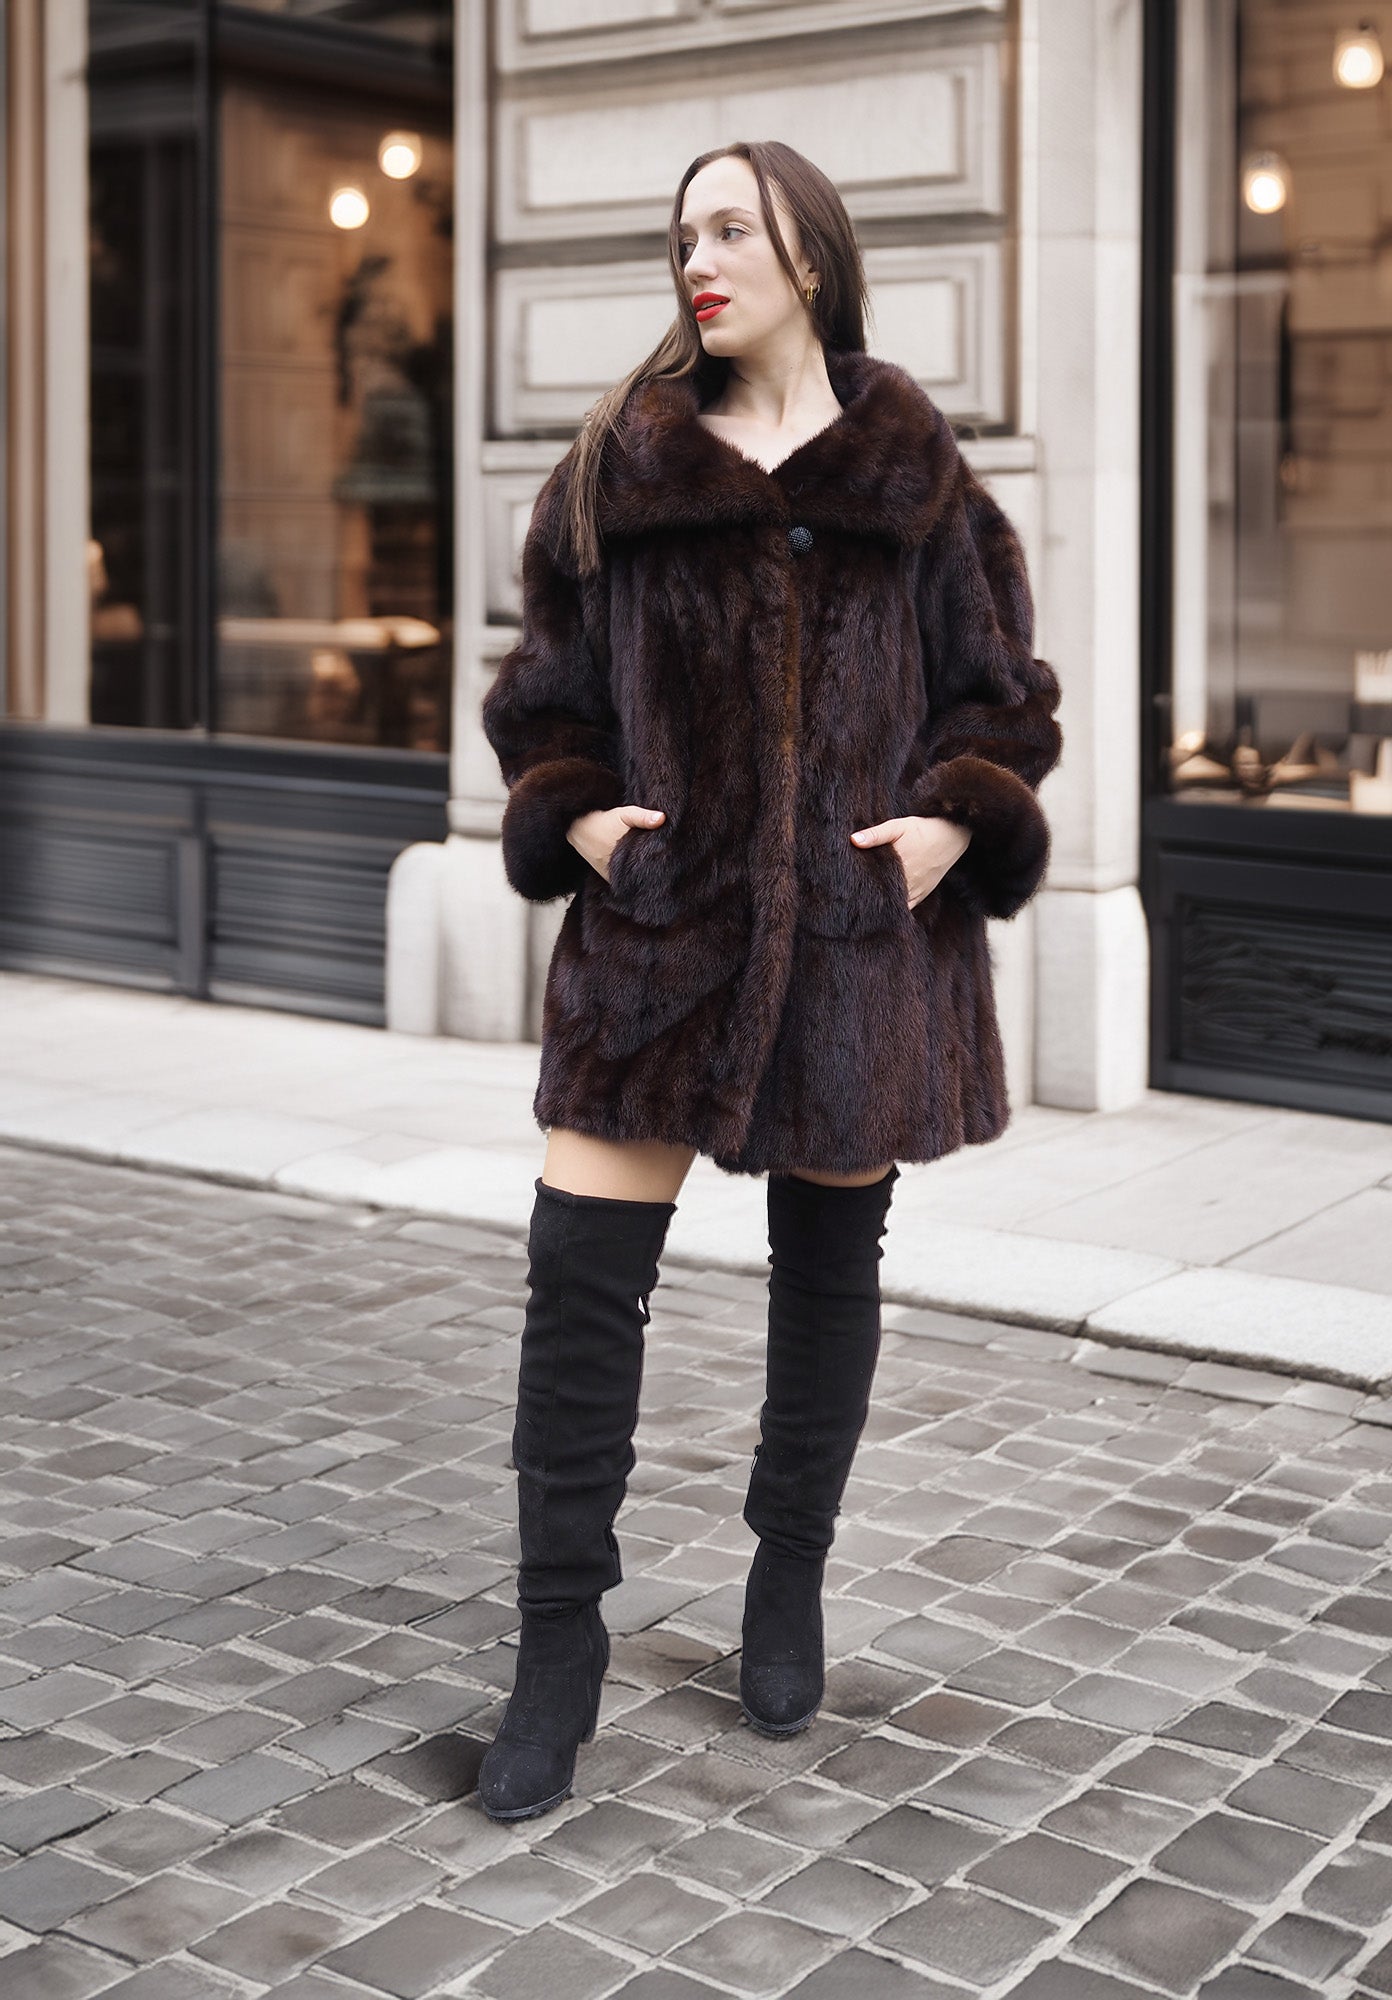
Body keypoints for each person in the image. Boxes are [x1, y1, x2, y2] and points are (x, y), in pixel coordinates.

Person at [476, 140, 1062, 1822]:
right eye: (682, 237)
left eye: (730, 228)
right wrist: (582, 822)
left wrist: (957, 830)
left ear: (811, 246)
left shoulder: (919, 477)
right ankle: (555, 1650)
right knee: (581, 1281)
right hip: (658, 941)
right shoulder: (616, 469)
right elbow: (544, 705)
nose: (699, 260)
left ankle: (785, 1574)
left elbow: (1002, 698)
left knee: (828, 1270)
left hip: (859, 944)